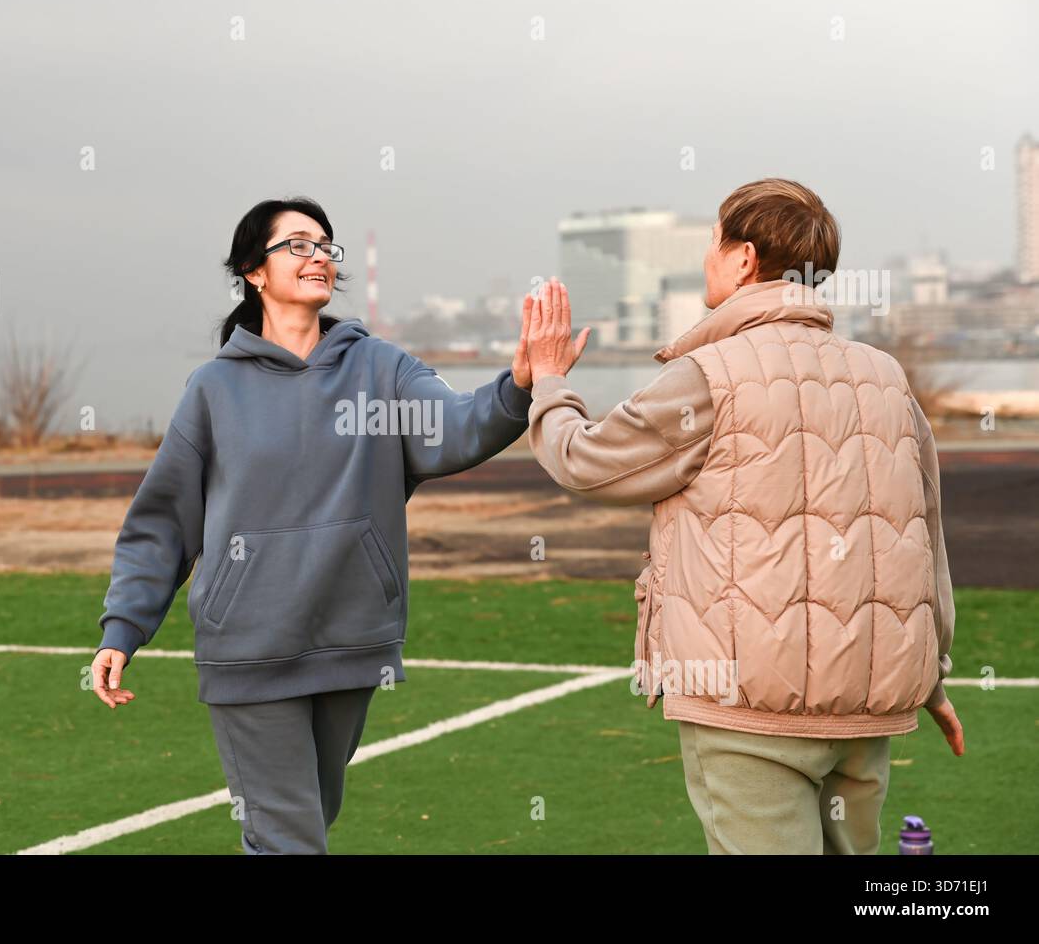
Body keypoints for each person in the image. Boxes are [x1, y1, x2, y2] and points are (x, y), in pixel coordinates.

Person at [523, 178, 965, 854]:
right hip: (869, 707)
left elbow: (585, 462)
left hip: (745, 703)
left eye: (713, 243)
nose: (707, 259)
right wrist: (930, 675)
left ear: (742, 259)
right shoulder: (886, 376)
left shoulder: (709, 374)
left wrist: (550, 381)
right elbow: (921, 531)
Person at [90, 196, 540, 854]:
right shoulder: (213, 388)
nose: (319, 256)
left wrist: (518, 386)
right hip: (249, 645)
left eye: (326, 245)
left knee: (307, 821)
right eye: (297, 244)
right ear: (254, 270)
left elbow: (454, 429)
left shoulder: (380, 367)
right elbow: (164, 521)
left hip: (351, 640)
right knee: (288, 839)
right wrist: (123, 627)